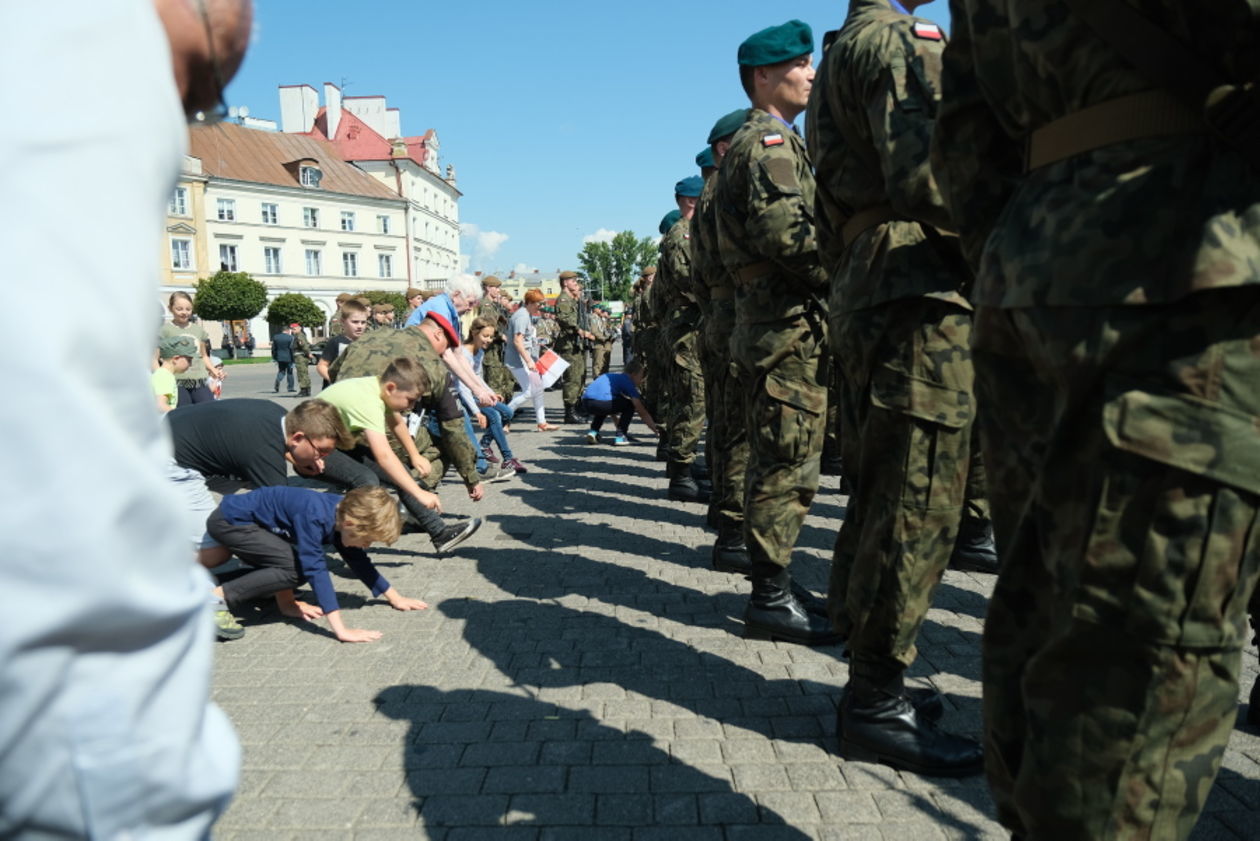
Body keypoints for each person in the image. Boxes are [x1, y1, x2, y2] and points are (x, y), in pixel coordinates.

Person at [932, 0, 1260, 833]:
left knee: (1046, 607)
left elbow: (964, 135)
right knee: (1143, 659)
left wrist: (1015, 257)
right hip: (1188, 270)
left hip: (1038, 267)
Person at [0, 0, 252, 835]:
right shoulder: (89, 43)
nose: (185, 119)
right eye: (200, 96)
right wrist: (144, 786)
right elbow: (53, 434)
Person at [808, 0, 983, 777]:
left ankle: (877, 676)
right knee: (919, 502)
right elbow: (931, 175)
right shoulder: (895, 41)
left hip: (872, 283)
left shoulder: (845, 49)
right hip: (917, 288)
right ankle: (876, 697)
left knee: (886, 492)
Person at [714, 20, 836, 647]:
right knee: (785, 464)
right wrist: (852, 266)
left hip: (778, 328)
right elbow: (791, 238)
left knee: (785, 459)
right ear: (764, 76)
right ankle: (770, 598)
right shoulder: (767, 144)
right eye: (799, 63)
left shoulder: (771, 141)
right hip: (782, 329)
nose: (811, 73)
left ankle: (779, 583)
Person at [326, 316, 486, 554]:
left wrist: (414, 456)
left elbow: (333, 370)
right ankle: (345, 540)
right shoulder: (427, 365)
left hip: (348, 431)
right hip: (328, 440)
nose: (447, 354)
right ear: (438, 335)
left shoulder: (372, 349)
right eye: (448, 348)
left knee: (397, 472)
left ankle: (438, 532)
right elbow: (451, 428)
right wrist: (466, 478)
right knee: (372, 477)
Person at [205, 485, 427, 643]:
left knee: (293, 568)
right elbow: (316, 570)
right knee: (296, 569)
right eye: (367, 540)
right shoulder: (316, 516)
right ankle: (214, 597)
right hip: (231, 522)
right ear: (350, 523)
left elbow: (358, 560)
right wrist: (341, 630)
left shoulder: (340, 516)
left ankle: (283, 603)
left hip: (255, 526)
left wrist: (395, 597)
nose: (367, 546)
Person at [693, 108, 752, 573]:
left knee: (728, 419)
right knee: (737, 426)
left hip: (725, 314)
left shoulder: (713, 196)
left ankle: (729, 515)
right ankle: (735, 530)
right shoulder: (723, 192)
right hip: (736, 314)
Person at [657, 175, 709, 504]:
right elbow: (688, 280)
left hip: (691, 325)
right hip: (687, 327)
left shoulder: (690, 233)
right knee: (693, 400)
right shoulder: (683, 235)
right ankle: (681, 474)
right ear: (691, 201)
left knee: (690, 399)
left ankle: (685, 465)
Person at [404, 274, 498, 407]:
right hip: (411, 372)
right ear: (456, 295)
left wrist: (484, 389)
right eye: (470, 302)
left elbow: (459, 355)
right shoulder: (440, 309)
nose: (471, 308)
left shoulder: (451, 313)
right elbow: (447, 355)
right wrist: (477, 391)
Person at [459, 317, 527, 475]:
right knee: (495, 415)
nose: (488, 340)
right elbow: (462, 386)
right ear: (474, 333)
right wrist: (476, 411)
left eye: (491, 336)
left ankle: (485, 444)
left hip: (476, 392)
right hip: (464, 395)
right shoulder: (463, 353)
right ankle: (508, 459)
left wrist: (490, 392)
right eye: (485, 336)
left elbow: (477, 377)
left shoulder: (480, 352)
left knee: (507, 412)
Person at [159, 290, 225, 406]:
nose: (184, 312)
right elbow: (156, 358)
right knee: (185, 413)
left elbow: (203, 355)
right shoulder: (165, 331)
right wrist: (161, 378)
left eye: (188, 309)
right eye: (179, 309)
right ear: (170, 308)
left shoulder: (198, 330)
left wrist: (214, 370)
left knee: (209, 409)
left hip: (198, 381)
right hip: (177, 381)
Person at [505, 289, 559, 431]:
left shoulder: (526, 314)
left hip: (525, 359)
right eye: (538, 304)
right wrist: (529, 361)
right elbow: (517, 341)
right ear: (530, 302)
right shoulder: (522, 316)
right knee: (529, 391)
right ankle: (503, 416)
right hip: (519, 361)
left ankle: (542, 423)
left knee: (538, 389)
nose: (540, 307)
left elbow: (525, 339)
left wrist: (536, 342)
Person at [579, 359, 660, 445]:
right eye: (641, 377)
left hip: (586, 402)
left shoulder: (613, 377)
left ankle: (593, 432)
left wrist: (618, 424)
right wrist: (656, 431)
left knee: (602, 409)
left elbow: (610, 411)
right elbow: (642, 412)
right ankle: (620, 437)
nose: (642, 381)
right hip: (602, 402)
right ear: (633, 375)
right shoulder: (628, 382)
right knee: (630, 405)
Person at [554, 270, 594, 423]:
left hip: (576, 344)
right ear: (565, 283)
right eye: (573, 280)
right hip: (569, 345)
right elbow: (565, 319)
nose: (576, 283)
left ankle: (577, 407)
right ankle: (569, 412)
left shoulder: (571, 299)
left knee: (580, 376)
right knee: (572, 378)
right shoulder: (564, 300)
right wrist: (579, 329)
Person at [316, 299, 368, 388]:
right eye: (355, 322)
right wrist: (334, 380)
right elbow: (322, 366)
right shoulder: (336, 342)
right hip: (337, 390)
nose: (360, 326)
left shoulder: (369, 341)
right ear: (343, 322)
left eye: (363, 322)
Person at [152, 334, 198, 413]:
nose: (191, 364)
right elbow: (160, 405)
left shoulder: (164, 375)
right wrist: (179, 418)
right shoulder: (164, 377)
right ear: (176, 359)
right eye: (189, 360)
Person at [271, 322, 296, 393]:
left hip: (280, 357)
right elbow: (291, 349)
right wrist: (293, 359)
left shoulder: (276, 337)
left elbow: (273, 349)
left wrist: (274, 357)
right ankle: (290, 388)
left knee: (281, 371)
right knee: (290, 372)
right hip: (289, 358)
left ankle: (278, 380)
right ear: (288, 330)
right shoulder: (291, 338)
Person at [291, 321, 312, 396]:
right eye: (292, 329)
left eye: (294, 329)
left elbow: (304, 346)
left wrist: (308, 353)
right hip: (301, 356)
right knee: (304, 373)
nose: (292, 331)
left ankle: (303, 390)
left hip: (300, 357)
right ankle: (307, 390)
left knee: (301, 374)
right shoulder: (300, 335)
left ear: (298, 328)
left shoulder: (299, 336)